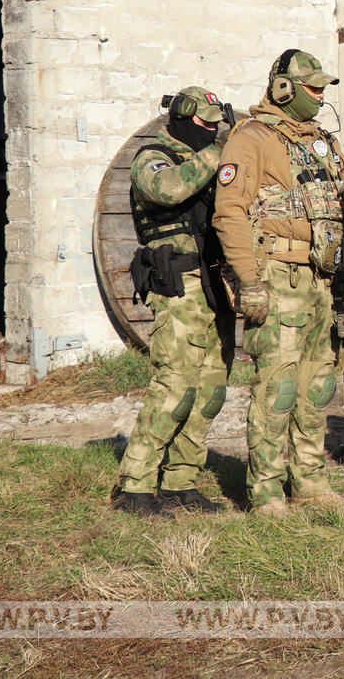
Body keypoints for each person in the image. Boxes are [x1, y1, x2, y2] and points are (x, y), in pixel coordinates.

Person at [213, 49, 344, 516]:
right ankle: (265, 489)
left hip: (321, 282)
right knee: (277, 388)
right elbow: (230, 213)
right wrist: (250, 281)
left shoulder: (321, 140)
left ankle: (310, 481)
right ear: (284, 88)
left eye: (323, 87)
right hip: (277, 278)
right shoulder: (252, 139)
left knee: (315, 386)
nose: (321, 95)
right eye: (313, 87)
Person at [112, 86, 232, 516]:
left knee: (210, 391)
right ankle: (136, 485)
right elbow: (166, 190)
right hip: (178, 286)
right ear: (182, 119)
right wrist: (217, 153)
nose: (213, 129)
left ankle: (182, 481)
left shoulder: (213, 160)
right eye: (205, 123)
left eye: (218, 123)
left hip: (215, 288)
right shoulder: (154, 157)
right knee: (175, 386)